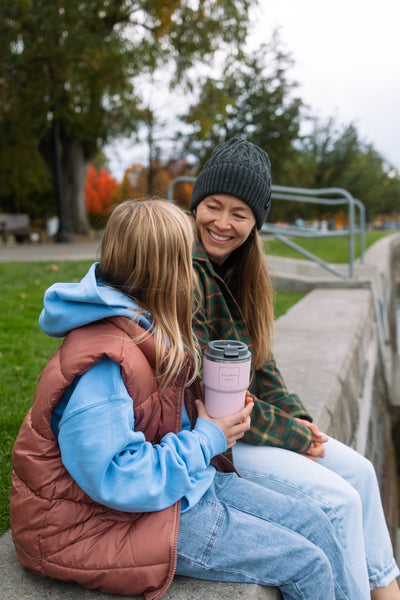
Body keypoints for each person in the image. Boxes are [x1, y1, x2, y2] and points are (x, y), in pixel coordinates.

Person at [10, 199, 368, 600]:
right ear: (165, 274)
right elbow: (119, 477)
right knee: (307, 563)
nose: (196, 273)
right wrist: (208, 438)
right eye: (187, 261)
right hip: (104, 523)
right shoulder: (103, 364)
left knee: (317, 522)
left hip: (180, 488)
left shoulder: (147, 324)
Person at [189, 137, 400, 600]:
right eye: (213, 206)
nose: (222, 223)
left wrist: (299, 418)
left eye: (239, 213)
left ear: (255, 222)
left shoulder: (243, 272)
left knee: (362, 472)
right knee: (340, 501)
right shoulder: (186, 273)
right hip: (214, 437)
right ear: (196, 204)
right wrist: (295, 436)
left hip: (248, 424)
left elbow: (263, 366)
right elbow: (205, 395)